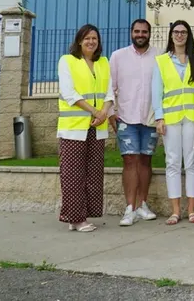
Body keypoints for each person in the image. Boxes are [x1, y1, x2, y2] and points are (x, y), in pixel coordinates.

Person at [57, 24, 114, 232]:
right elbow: (69, 93)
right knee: (73, 174)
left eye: (95, 39)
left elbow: (110, 93)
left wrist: (104, 112)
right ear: (79, 40)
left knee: (93, 173)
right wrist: (95, 112)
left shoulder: (103, 63)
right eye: (87, 38)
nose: (91, 42)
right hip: (74, 128)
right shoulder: (67, 61)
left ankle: (80, 216)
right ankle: (76, 218)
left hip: (96, 127)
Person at [153, 20, 194, 225]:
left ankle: (191, 210)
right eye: (176, 32)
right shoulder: (161, 61)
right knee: (172, 162)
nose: (180, 35)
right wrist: (159, 117)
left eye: (183, 32)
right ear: (171, 35)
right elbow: (156, 91)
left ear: (188, 35)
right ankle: (175, 211)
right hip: (171, 118)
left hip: (193, 117)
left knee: (192, 162)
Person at [109, 19, 159, 226]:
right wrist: (111, 113)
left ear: (149, 33)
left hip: (150, 118)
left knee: (146, 160)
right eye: (137, 31)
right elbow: (110, 87)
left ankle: (142, 205)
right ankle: (129, 208)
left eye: (144, 32)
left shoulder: (160, 56)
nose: (140, 35)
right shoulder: (118, 56)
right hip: (126, 117)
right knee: (130, 160)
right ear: (131, 33)